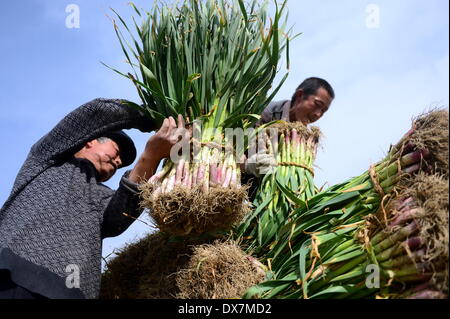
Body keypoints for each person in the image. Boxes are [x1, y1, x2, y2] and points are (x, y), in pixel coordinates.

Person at [0, 98, 188, 299]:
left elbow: (119, 218)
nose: (118, 161)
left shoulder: (101, 196)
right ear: (90, 140)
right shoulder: (47, 159)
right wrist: (152, 119)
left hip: (73, 293)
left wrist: (151, 156)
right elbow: (93, 113)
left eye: (122, 162)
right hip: (14, 277)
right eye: (117, 152)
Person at [243, 77, 335, 194]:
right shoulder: (265, 112)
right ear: (299, 95)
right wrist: (247, 165)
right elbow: (230, 149)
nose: (318, 114)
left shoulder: (307, 139)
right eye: (317, 104)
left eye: (323, 111)